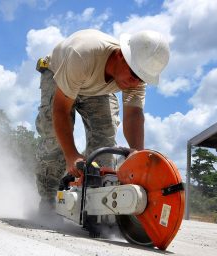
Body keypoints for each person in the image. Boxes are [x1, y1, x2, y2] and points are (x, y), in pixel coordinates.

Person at [35, 29, 170, 211]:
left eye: (141, 79)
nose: (135, 83)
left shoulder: (137, 74)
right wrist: (72, 155)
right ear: (122, 55)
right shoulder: (83, 55)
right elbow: (60, 110)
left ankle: (94, 207)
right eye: (133, 76)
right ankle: (48, 202)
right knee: (55, 141)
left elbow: (133, 115)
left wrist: (137, 156)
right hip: (59, 74)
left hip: (97, 87)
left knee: (105, 140)